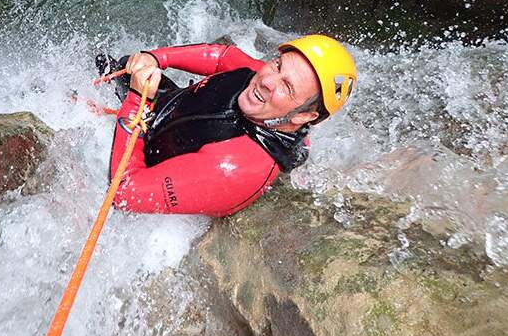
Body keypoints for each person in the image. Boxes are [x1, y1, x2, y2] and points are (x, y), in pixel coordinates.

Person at [96, 35, 357, 217]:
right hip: (161, 113)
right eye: (277, 65)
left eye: (287, 87)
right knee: (113, 63)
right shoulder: (265, 82)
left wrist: (135, 103)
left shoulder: (234, 168)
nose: (268, 81)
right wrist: (157, 58)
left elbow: (124, 194)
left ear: (303, 117)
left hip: (141, 165)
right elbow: (222, 57)